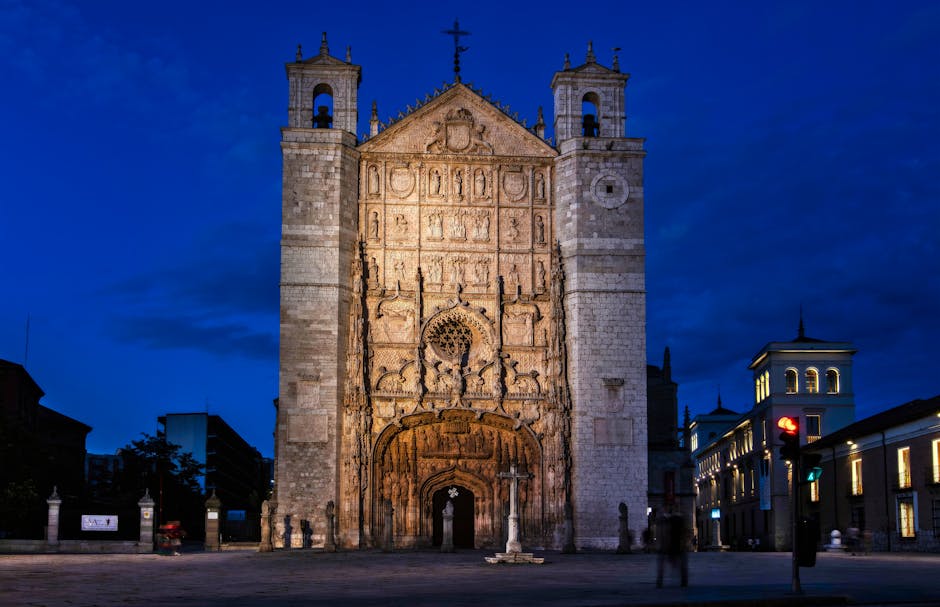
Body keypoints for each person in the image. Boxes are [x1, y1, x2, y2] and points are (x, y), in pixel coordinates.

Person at [655, 510, 688, 588]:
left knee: (662, 564)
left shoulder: (665, 521)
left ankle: (659, 581)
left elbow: (663, 534)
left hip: (669, 546)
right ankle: (684, 581)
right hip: (676, 545)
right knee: (681, 565)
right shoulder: (678, 520)